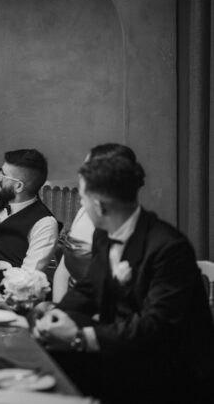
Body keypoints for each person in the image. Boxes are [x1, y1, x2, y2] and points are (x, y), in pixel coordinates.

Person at [33, 156, 214, 404]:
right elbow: (89, 288)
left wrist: (80, 337)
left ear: (99, 206)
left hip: (169, 366)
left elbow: (154, 327)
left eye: (83, 198)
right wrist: (57, 315)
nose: (81, 204)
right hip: (124, 346)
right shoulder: (104, 234)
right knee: (47, 352)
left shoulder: (170, 248)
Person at [52, 143, 141, 302]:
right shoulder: (88, 215)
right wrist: (59, 308)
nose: (81, 175)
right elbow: (65, 270)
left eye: (87, 170)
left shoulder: (151, 242)